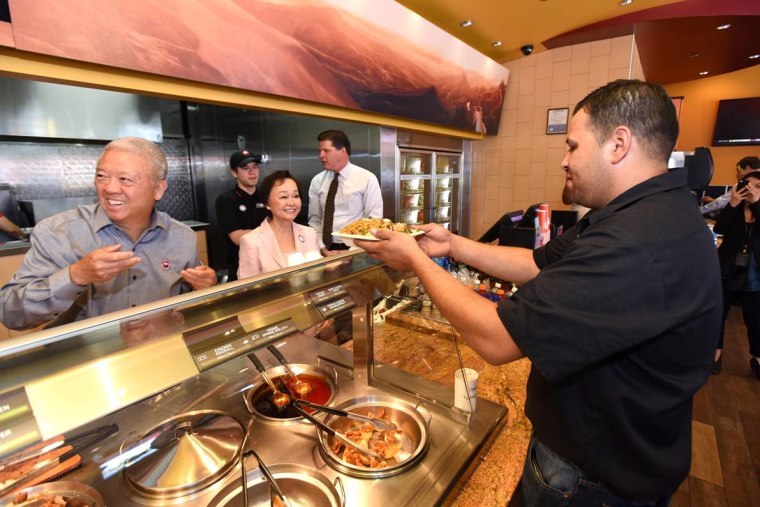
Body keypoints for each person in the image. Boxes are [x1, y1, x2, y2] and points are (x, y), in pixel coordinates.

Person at [358, 80, 722, 505]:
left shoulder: (635, 243)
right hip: (610, 459)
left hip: (592, 481)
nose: (565, 161)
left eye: (572, 146)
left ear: (618, 144)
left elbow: (496, 338)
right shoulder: (640, 213)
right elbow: (535, 264)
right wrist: (452, 244)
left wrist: (417, 261)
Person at [0, 137, 217, 330]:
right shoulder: (59, 232)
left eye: (125, 179)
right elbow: (11, 314)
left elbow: (186, 309)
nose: (110, 188)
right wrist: (76, 275)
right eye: (102, 176)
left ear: (158, 189)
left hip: (155, 355)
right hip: (84, 361)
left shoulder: (182, 236)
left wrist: (206, 289)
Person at [713, 170, 760, 378]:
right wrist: (732, 203)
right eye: (748, 185)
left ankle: (757, 356)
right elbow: (721, 229)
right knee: (718, 314)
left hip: (754, 273)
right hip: (726, 268)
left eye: (757, 186)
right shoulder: (735, 206)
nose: (751, 190)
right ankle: (716, 353)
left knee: (755, 317)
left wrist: (757, 204)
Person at [308, 130, 383, 256]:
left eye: (326, 151)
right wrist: (322, 248)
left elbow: (374, 220)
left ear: (342, 151)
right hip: (324, 251)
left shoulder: (367, 179)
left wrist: (352, 252)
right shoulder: (317, 181)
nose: (321, 155)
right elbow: (314, 219)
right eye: (320, 151)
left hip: (357, 252)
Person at [238, 170, 321, 278]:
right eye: (283, 197)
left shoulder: (309, 233)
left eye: (295, 196)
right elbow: (247, 289)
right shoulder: (251, 241)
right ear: (267, 203)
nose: (291, 203)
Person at [215, 149, 269, 281]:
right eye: (245, 168)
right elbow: (238, 237)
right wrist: (273, 233)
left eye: (255, 167)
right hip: (241, 268)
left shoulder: (266, 196)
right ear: (234, 172)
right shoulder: (226, 200)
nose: (252, 172)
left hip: (269, 264)